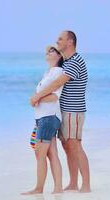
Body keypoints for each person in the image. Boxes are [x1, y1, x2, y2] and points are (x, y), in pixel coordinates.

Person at [30, 30, 91, 193]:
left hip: (74, 110)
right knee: (67, 146)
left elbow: (57, 84)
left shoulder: (75, 61)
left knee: (75, 145)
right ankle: (72, 183)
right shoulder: (67, 61)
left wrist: (37, 97)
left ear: (70, 42)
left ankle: (86, 185)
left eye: (60, 39)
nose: (57, 41)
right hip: (64, 111)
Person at [22, 46, 64, 195]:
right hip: (42, 118)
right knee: (51, 153)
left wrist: (37, 98)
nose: (48, 53)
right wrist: (35, 98)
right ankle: (58, 188)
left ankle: (39, 189)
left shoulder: (58, 72)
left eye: (52, 51)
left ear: (59, 56)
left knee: (40, 154)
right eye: (47, 51)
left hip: (48, 117)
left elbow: (55, 96)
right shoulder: (48, 73)